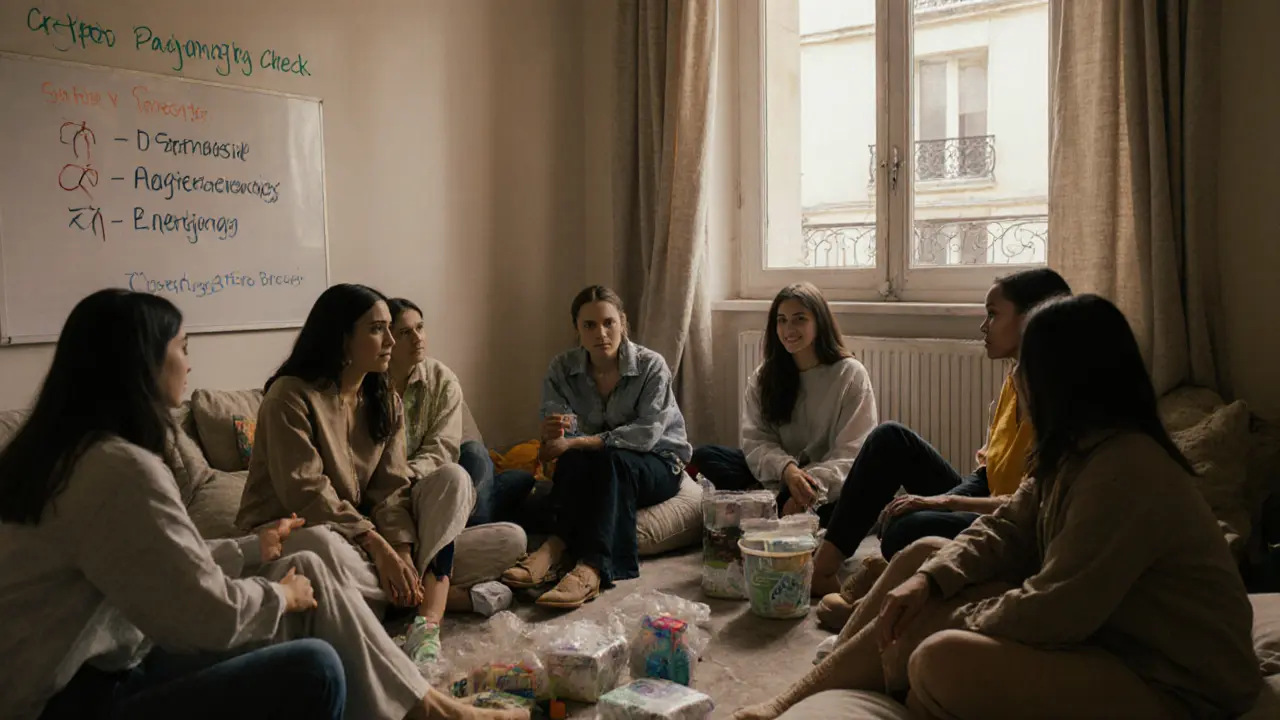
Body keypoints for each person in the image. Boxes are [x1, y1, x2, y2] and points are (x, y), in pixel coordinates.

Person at [0, 288, 526, 720]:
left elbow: (155, 564)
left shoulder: (73, 455)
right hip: (74, 700)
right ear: (141, 360)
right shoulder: (119, 470)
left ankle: (425, 695)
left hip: (112, 664)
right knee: (317, 654)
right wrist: (281, 596)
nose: (189, 362)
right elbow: (203, 615)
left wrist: (249, 550)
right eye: (183, 346)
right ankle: (426, 673)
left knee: (319, 564)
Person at [731, 294, 1262, 720]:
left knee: (940, 658)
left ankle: (896, 674)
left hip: (1170, 678)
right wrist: (930, 584)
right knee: (922, 554)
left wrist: (952, 616)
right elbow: (1005, 528)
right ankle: (798, 698)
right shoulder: (1075, 451)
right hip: (1107, 636)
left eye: (1025, 368)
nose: (1016, 380)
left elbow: (1056, 609)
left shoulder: (1125, 469)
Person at [236, 284, 477, 665]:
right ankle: (433, 596)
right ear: (342, 337)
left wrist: (400, 551)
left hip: (364, 544)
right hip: (297, 534)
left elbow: (391, 492)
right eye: (377, 329)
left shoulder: (384, 400)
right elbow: (307, 492)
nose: (391, 343)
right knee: (323, 547)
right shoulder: (289, 396)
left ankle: (415, 609)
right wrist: (378, 548)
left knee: (467, 492)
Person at [811, 268, 1071, 618]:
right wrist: (939, 502)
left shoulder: (1059, 401)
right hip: (986, 496)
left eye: (993, 315)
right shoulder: (1015, 378)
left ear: (1031, 320)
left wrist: (944, 502)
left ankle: (881, 592)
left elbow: (1031, 506)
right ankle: (821, 569)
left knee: (905, 531)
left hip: (1015, 524)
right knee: (890, 439)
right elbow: (988, 469)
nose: (983, 327)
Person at [499, 285, 691, 609]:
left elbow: (646, 434)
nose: (600, 333)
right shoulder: (562, 369)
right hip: (598, 462)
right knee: (577, 459)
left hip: (658, 461)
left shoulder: (651, 366)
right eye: (589, 325)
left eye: (608, 323)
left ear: (623, 323)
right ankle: (556, 548)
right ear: (577, 328)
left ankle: (594, 567)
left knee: (609, 459)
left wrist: (578, 441)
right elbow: (562, 434)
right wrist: (553, 435)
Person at [691, 282, 878, 526]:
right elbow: (756, 442)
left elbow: (852, 454)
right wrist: (787, 471)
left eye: (799, 319)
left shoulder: (850, 374)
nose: (789, 329)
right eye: (782, 320)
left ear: (819, 323)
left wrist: (806, 488)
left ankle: (770, 508)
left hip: (825, 483)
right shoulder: (764, 377)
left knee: (860, 499)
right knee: (706, 457)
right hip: (779, 476)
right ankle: (776, 507)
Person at [384, 297, 527, 615]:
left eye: (420, 328)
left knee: (471, 458)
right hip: (394, 504)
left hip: (432, 488)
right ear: (387, 339)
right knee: (507, 522)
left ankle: (424, 584)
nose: (418, 338)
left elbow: (443, 450)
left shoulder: (441, 379)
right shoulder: (368, 387)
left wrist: (406, 475)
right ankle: (443, 592)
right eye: (405, 332)